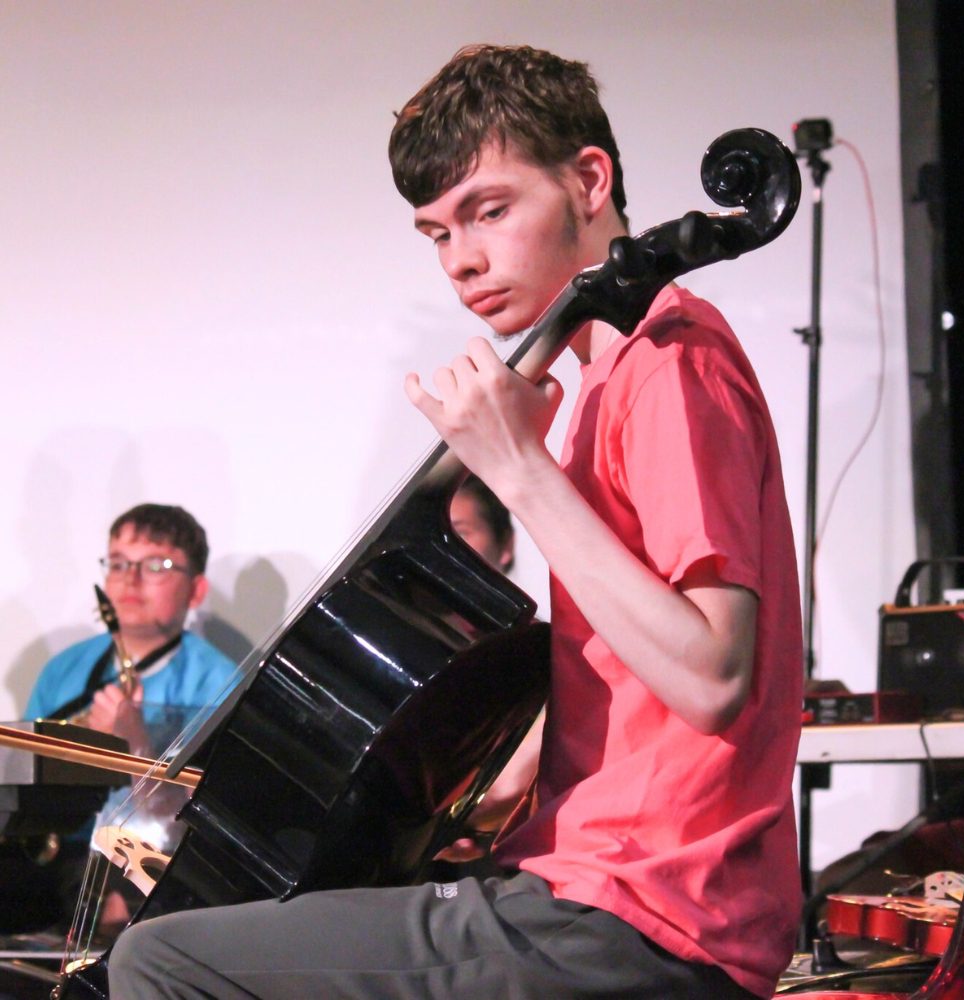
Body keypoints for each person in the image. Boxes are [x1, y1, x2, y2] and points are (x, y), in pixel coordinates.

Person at [109, 44, 803, 999]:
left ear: (588, 181)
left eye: (490, 210)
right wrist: (505, 783)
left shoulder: (668, 361)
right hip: (598, 883)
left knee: (162, 961)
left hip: (642, 912)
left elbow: (716, 677)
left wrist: (516, 469)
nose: (463, 259)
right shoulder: (608, 376)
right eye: (436, 234)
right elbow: (627, 669)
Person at [15, 503, 238, 932]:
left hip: (149, 868)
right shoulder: (64, 667)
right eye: (118, 563)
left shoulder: (220, 682)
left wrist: (132, 745)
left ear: (196, 590)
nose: (130, 580)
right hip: (58, 856)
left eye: (156, 565)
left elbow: (198, 822)